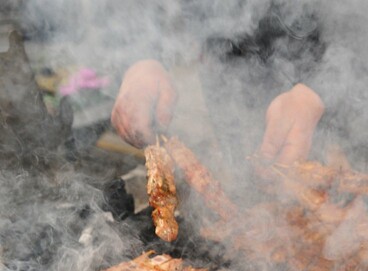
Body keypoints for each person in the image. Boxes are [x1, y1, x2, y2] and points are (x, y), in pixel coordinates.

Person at [111, 4, 326, 173]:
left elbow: (357, 16)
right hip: (225, 88)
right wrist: (141, 59)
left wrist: (318, 91)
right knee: (247, 189)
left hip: (335, 101)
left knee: (329, 194)